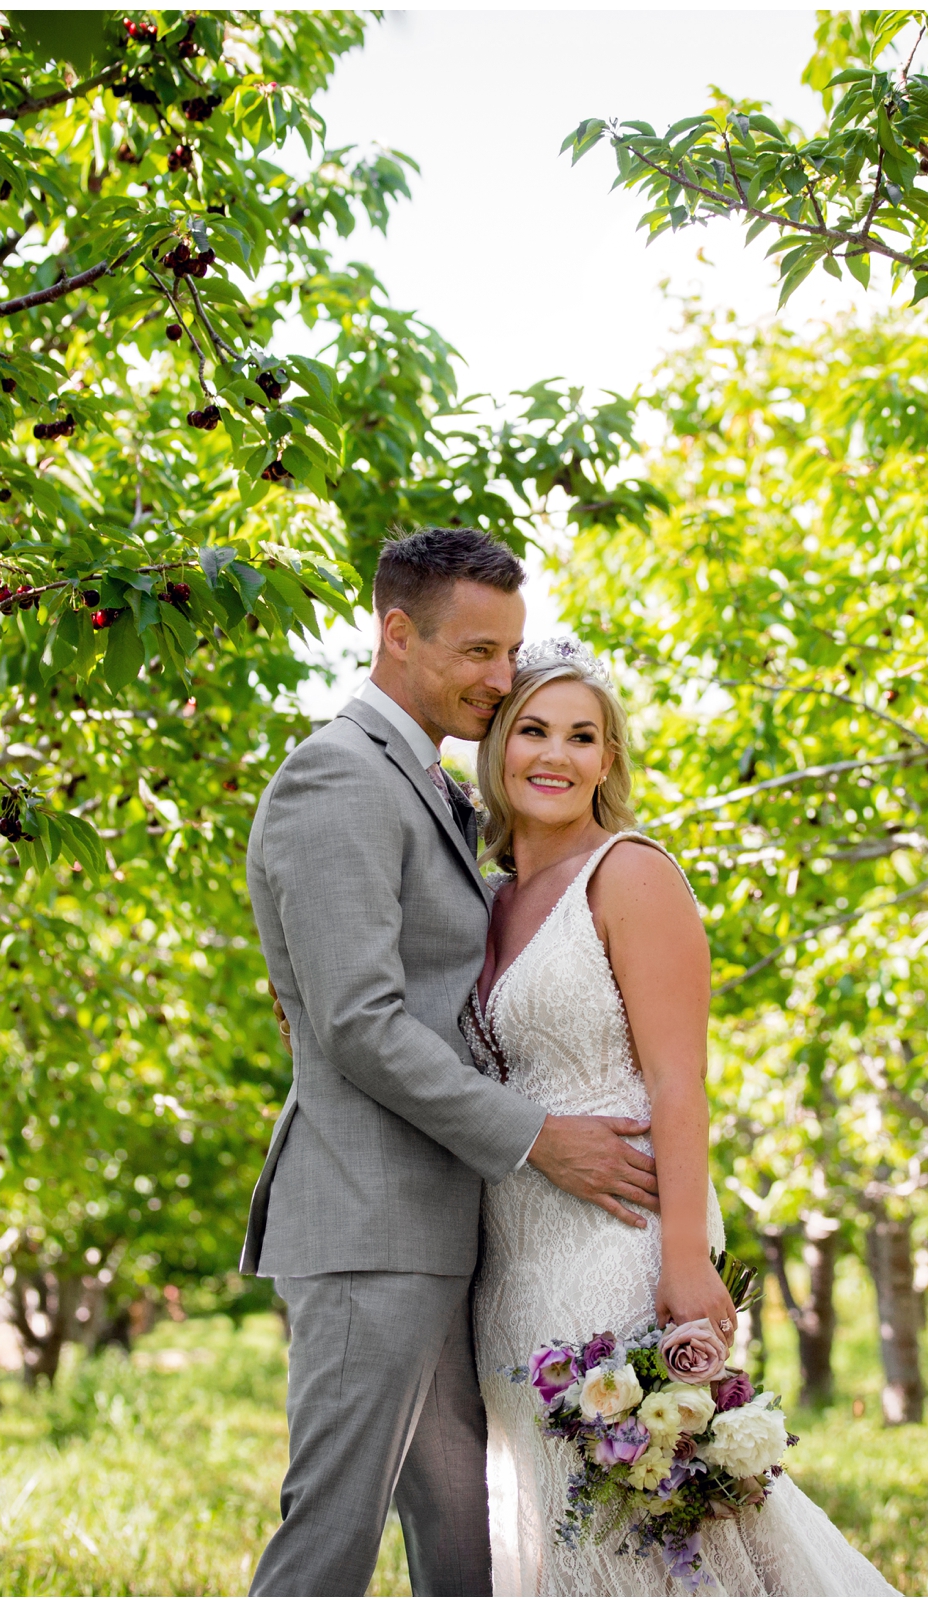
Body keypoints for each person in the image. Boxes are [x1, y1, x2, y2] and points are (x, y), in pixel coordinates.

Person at [241, 528, 664, 1597]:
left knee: (462, 1536)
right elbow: (361, 1022)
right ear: (396, 633)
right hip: (366, 1219)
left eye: (509, 650)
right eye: (478, 652)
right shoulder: (335, 777)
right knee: (329, 1535)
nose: (501, 676)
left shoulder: (421, 783)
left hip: (441, 1220)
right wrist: (536, 1137)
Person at [467, 641, 899, 1596]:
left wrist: (684, 1260)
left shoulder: (630, 874)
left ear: (609, 759)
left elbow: (677, 1084)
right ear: (497, 743)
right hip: (511, 1253)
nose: (557, 754)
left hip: (618, 1243)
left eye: (585, 736)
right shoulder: (486, 899)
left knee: (641, 1522)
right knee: (548, 1521)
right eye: (534, 728)